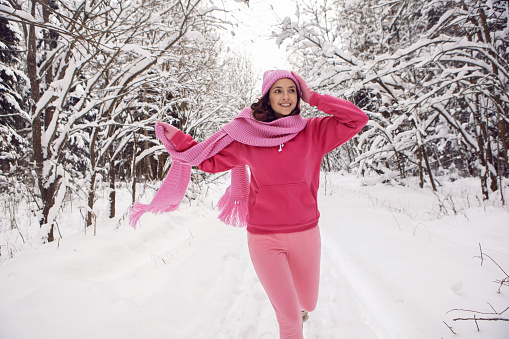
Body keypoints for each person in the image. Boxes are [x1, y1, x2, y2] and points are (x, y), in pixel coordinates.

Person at [130, 70, 368, 339]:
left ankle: (299, 310)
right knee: (289, 321)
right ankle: (291, 315)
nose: (285, 96)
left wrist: (314, 97)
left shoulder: (314, 131)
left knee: (308, 303)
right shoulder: (251, 137)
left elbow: (357, 119)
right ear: (267, 96)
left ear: (298, 94)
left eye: (291, 89)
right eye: (278, 90)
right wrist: (181, 140)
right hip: (264, 238)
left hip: (306, 234)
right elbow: (208, 160)